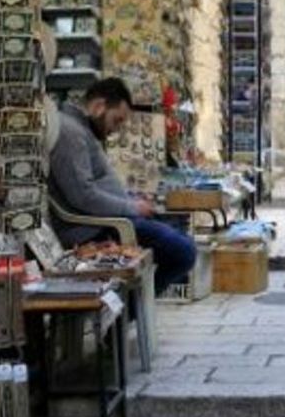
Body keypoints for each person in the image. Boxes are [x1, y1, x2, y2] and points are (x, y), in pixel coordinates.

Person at [47, 77, 196, 295]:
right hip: (99, 228)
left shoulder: (81, 131)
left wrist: (131, 201)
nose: (115, 130)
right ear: (98, 107)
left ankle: (131, 305)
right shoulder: (71, 133)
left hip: (112, 220)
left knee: (178, 233)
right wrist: (132, 207)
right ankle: (129, 307)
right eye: (116, 120)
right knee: (184, 252)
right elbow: (83, 196)